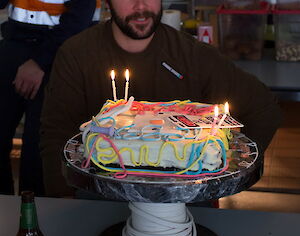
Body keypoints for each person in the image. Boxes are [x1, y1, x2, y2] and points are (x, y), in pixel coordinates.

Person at [40, 0, 282, 197]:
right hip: (100, 203)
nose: (140, 5)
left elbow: (263, 108)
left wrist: (226, 170)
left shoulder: (192, 55)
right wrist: (67, 200)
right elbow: (55, 135)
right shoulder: (77, 54)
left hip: (186, 209)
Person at [0, 0, 100, 195]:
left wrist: (39, 62)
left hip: (58, 52)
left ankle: (33, 217)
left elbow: (79, 17)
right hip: (15, 44)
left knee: (39, 151)